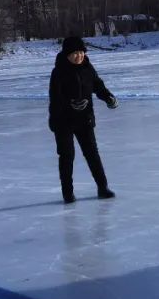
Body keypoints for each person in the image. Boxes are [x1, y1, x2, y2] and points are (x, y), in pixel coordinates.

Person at [48, 35, 118, 204]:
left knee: (92, 153)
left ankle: (103, 187)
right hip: (63, 121)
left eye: (81, 52)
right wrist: (70, 104)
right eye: (74, 53)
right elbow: (55, 98)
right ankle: (68, 193)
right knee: (67, 156)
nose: (79, 56)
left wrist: (108, 97)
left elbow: (97, 85)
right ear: (67, 54)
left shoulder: (87, 67)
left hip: (84, 118)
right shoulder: (59, 71)